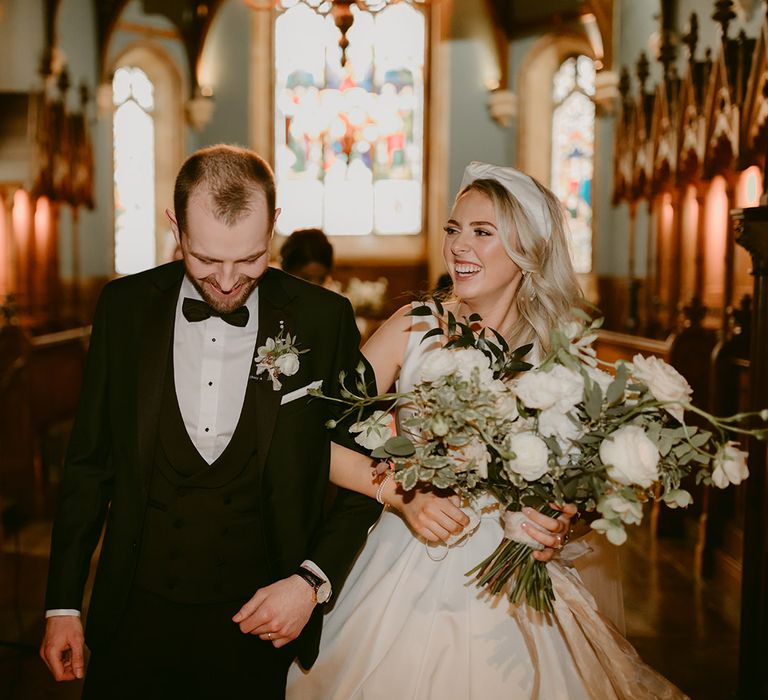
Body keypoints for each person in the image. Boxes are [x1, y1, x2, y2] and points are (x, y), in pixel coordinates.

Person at [287, 161, 686, 699]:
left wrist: (562, 525)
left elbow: (585, 494)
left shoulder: (562, 361)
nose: (458, 245)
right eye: (454, 229)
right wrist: (400, 494)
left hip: (513, 584)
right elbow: (311, 438)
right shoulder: (415, 327)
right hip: (402, 562)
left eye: (481, 232)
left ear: (528, 251)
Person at [39, 144, 382, 699]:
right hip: (133, 615)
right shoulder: (122, 309)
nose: (226, 281)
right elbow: (88, 466)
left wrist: (310, 582)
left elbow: (372, 474)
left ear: (273, 223)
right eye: (204, 260)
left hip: (260, 623)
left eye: (249, 260)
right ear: (174, 225)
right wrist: (62, 603)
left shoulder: (325, 320)